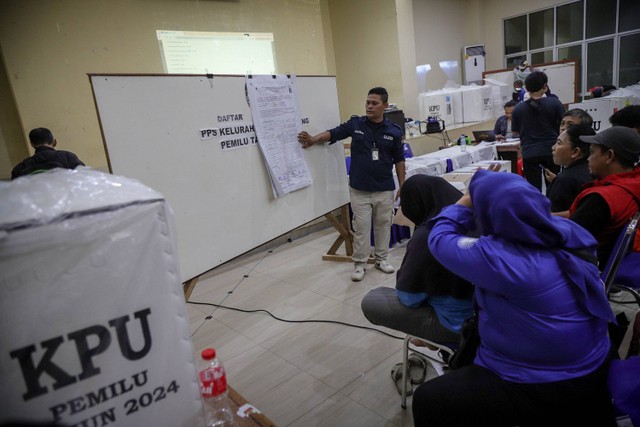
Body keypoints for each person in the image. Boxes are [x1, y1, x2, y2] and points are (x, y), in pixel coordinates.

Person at [413, 169, 616, 427]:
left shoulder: (504, 261)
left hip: (546, 381)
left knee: (428, 400)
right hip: (593, 357)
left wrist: (465, 200)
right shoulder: (566, 230)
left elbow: (440, 239)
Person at [297, 87, 406, 282]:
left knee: (383, 226)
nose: (369, 106)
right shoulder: (356, 124)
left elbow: (399, 160)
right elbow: (333, 133)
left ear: (385, 106)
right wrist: (313, 139)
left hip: (384, 188)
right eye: (368, 102)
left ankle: (381, 259)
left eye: (374, 103)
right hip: (360, 189)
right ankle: (360, 264)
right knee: (362, 228)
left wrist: (402, 185)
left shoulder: (394, 131)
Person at [360, 175, 473, 344]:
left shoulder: (429, 235)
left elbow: (408, 298)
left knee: (372, 300)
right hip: (487, 319)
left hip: (458, 328)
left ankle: (435, 338)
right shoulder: (476, 217)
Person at [569, 126, 640, 267]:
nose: (588, 159)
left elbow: (568, 239)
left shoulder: (600, 199)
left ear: (609, 156)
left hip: (583, 270)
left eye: (591, 153)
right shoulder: (632, 185)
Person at [511, 70, 564, 191]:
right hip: (551, 150)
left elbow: (515, 132)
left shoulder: (518, 108)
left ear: (526, 88)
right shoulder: (555, 103)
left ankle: (535, 209)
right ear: (545, 86)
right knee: (552, 185)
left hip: (529, 152)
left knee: (533, 188)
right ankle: (552, 209)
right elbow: (563, 128)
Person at [544, 125, 595, 213]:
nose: (553, 147)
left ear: (575, 152)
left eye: (559, 143)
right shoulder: (595, 170)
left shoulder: (565, 180)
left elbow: (552, 218)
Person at [11, 127, 85, 179]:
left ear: (32, 145)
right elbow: (86, 177)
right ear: (54, 142)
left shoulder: (21, 167)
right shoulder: (68, 158)